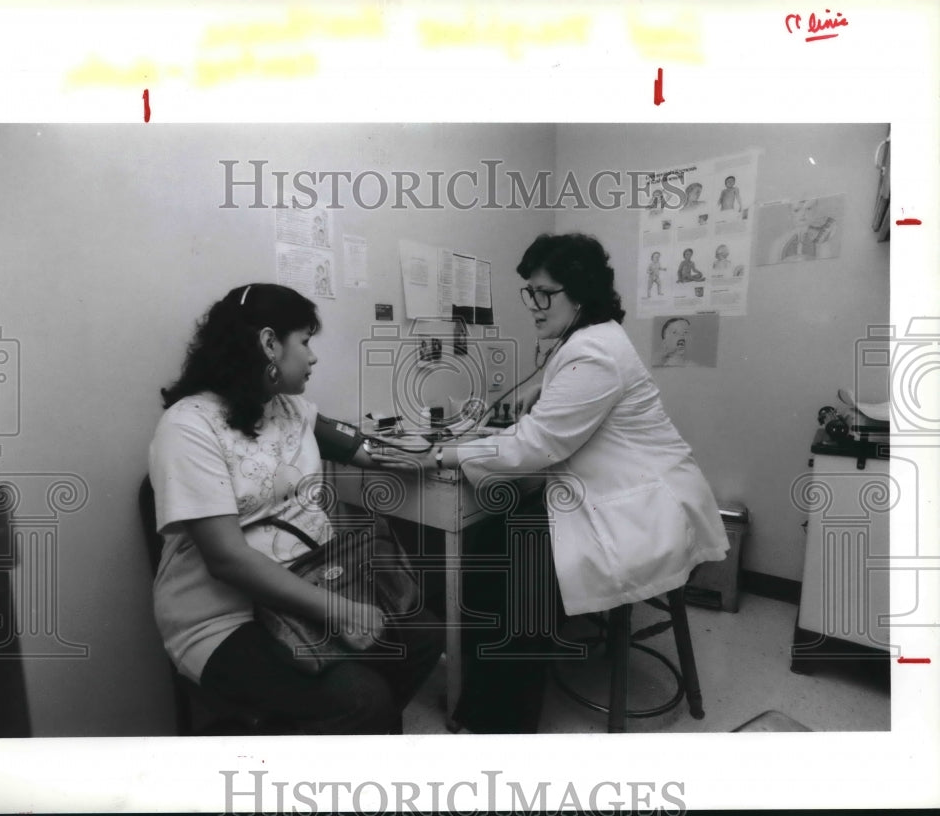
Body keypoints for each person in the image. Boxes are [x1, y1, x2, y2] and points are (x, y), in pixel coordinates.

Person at [373, 233, 728, 732]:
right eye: (531, 293)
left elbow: (535, 445)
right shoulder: (594, 338)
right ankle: (485, 681)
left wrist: (436, 455)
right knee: (496, 538)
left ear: (580, 293)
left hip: (643, 511)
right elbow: (557, 416)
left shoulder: (593, 352)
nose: (535, 306)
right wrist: (543, 384)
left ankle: (498, 721)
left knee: (517, 558)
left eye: (546, 293)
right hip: (620, 491)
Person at [149, 283, 442, 735]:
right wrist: (340, 610)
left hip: (310, 581)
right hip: (226, 615)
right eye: (305, 341)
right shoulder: (188, 427)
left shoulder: (290, 409)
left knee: (422, 636)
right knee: (362, 699)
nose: (313, 357)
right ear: (269, 343)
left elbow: (363, 448)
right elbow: (226, 559)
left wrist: (435, 454)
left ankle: (355, 743)